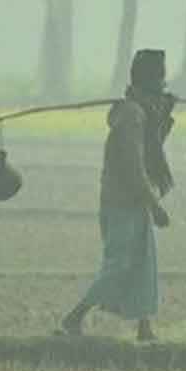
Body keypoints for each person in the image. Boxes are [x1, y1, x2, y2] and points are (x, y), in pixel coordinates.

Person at [59, 49, 175, 342]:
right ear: (150, 82)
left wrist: (164, 116)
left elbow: (152, 145)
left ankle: (144, 327)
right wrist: (155, 204)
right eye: (160, 81)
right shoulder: (132, 116)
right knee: (119, 264)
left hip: (134, 200)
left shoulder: (140, 112)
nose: (163, 87)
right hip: (123, 202)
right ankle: (75, 316)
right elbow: (135, 167)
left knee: (143, 262)